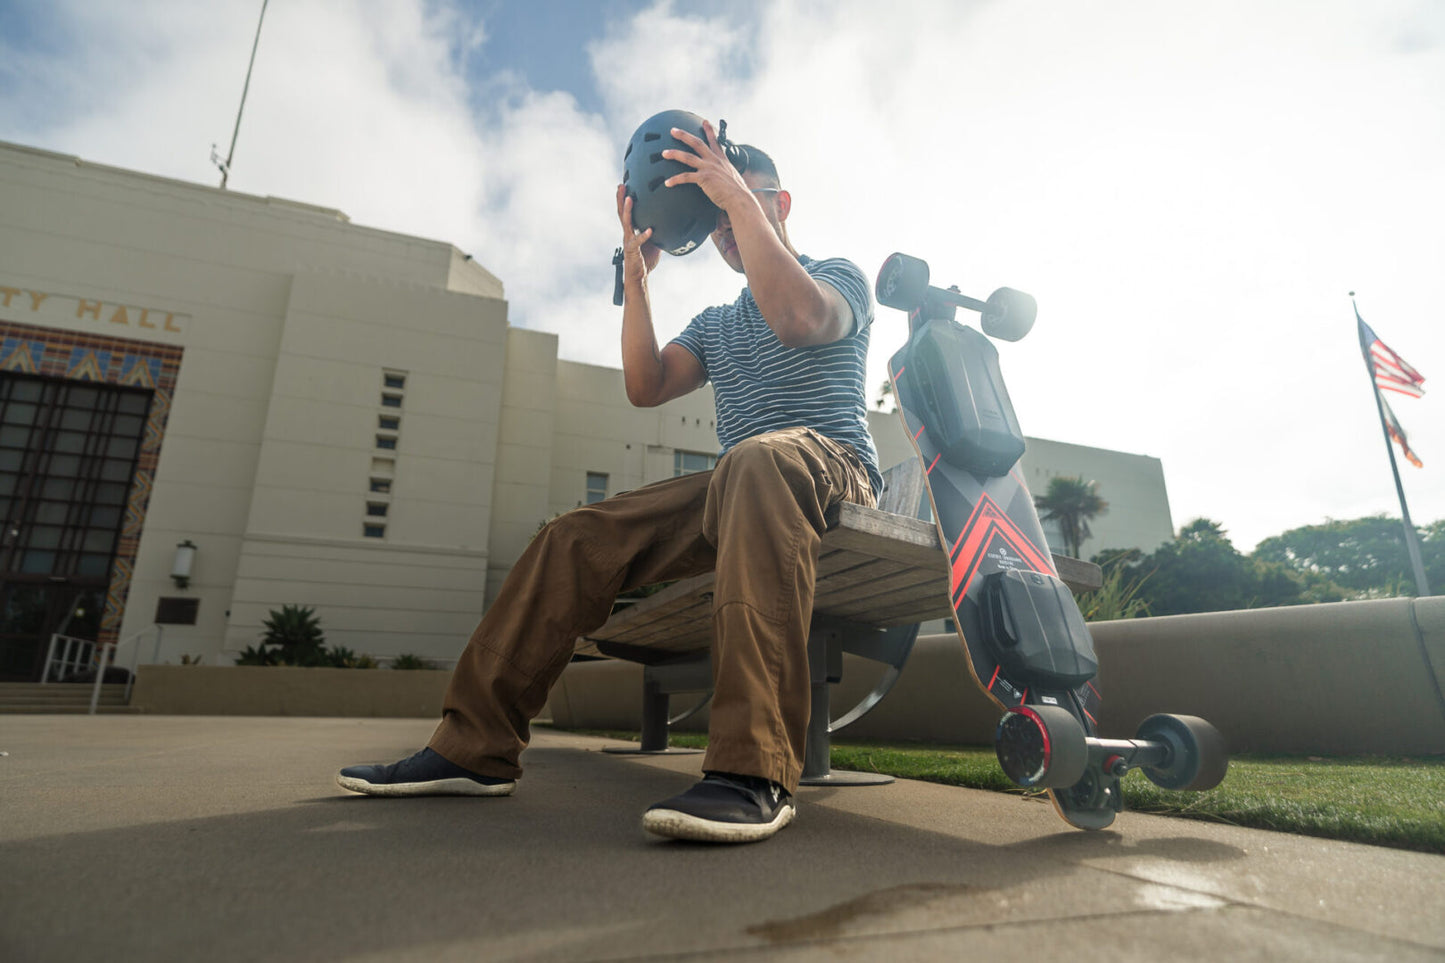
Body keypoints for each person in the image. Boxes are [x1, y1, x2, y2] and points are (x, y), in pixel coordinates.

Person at [338, 120, 881, 845]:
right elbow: (644, 385)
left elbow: (797, 317)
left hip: (831, 475)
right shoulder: (716, 323)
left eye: (739, 207)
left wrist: (728, 192)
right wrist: (635, 274)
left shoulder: (836, 277)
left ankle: (755, 772)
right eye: (714, 220)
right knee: (575, 536)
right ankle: (473, 748)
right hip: (744, 486)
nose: (725, 229)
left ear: (778, 204)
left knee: (754, 460)